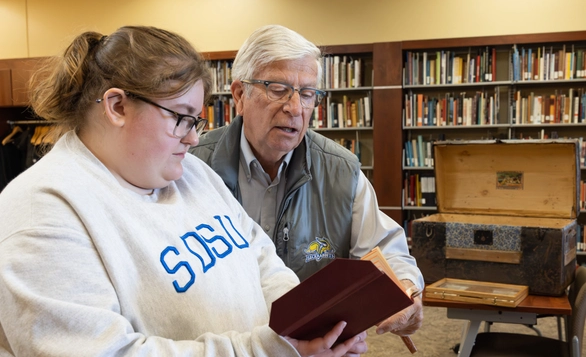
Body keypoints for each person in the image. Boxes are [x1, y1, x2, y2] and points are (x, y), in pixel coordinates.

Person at [0, 26, 367, 357]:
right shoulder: (41, 213)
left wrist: (309, 323)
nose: (193, 138)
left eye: (196, 121)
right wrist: (273, 350)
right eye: (180, 117)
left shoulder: (189, 171)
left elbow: (260, 256)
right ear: (117, 106)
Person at [189, 24, 424, 338]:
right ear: (239, 96)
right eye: (277, 89)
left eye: (308, 93)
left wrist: (405, 288)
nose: (295, 108)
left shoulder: (341, 170)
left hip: (315, 342)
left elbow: (385, 249)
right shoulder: (191, 165)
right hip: (224, 340)